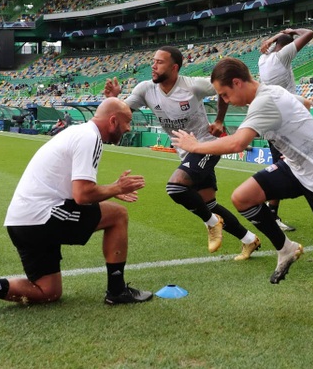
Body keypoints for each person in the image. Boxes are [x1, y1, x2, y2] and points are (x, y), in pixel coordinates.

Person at [172, 58, 313, 315]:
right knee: (243, 198)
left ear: (238, 83)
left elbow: (238, 144)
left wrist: (194, 147)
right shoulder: (272, 92)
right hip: (295, 168)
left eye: (225, 94)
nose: (225, 101)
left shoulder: (265, 101)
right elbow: (305, 104)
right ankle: (285, 248)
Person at [0, 98, 153, 320]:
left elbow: (74, 190)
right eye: (128, 122)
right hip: (42, 216)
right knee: (118, 215)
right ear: (113, 121)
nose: (129, 128)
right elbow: (82, 195)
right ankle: (117, 290)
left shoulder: (78, 132)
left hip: (20, 222)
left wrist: (112, 189)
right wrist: (115, 188)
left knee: (48, 291)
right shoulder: (90, 137)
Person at [104, 46, 261, 261]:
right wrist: (113, 99)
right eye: (153, 60)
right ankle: (249, 239)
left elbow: (222, 90)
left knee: (175, 188)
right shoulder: (145, 89)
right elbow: (123, 111)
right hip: (185, 153)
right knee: (209, 204)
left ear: (174, 67)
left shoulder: (192, 85)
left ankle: (213, 224)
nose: (153, 65)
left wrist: (219, 121)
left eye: (159, 62)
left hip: (206, 145)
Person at [258, 27, 313, 232]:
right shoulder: (282, 56)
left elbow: (264, 48)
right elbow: (309, 33)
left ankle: (270, 212)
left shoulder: (263, 60)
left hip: (273, 119)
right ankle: (266, 210)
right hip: (286, 119)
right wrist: (292, 31)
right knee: (294, 166)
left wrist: (275, 37)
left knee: (283, 165)